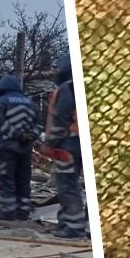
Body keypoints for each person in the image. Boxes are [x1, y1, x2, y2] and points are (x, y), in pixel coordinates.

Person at [45, 55, 87, 238]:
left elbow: (60, 119)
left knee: (67, 185)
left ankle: (73, 226)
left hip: (68, 145)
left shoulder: (67, 88)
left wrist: (50, 143)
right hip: (78, 142)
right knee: (73, 184)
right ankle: (67, 222)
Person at [0, 75, 40, 221]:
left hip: (7, 147)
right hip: (25, 148)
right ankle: (23, 211)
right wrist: (31, 136)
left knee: (6, 178)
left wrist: (17, 135)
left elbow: (1, 123)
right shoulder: (32, 103)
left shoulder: (0, 102)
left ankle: (7, 211)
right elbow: (38, 125)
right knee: (23, 179)